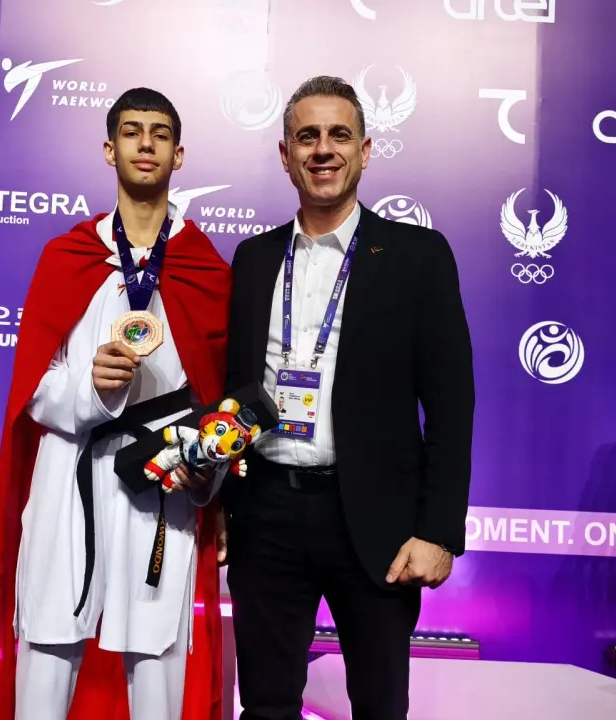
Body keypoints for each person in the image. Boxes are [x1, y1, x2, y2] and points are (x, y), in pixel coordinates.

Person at [219, 75, 475, 720]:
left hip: (377, 523)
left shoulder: (417, 256)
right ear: (286, 155)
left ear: (364, 150)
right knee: (265, 706)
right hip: (266, 515)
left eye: (339, 135)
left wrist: (438, 531)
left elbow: (452, 404)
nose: (323, 149)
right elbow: (236, 390)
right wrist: (223, 503)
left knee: (380, 707)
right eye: (307, 137)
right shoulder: (253, 259)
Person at [0, 87, 231, 720]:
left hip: (160, 479)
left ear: (179, 154)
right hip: (70, 471)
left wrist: (207, 477)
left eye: (161, 134)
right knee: (48, 645)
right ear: (110, 149)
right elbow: (34, 390)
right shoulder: (68, 257)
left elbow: (216, 400)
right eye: (132, 132)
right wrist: (93, 389)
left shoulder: (205, 268)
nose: (147, 144)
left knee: (158, 661)